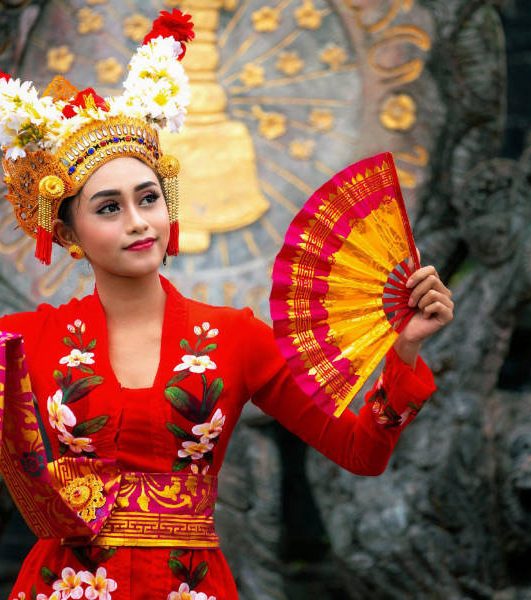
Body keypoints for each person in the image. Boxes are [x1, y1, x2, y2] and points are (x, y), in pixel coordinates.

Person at [0, 10, 453, 600]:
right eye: (109, 208)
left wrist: (407, 348)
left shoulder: (234, 338)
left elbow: (361, 452)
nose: (139, 222)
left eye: (149, 199)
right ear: (67, 234)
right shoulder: (22, 340)